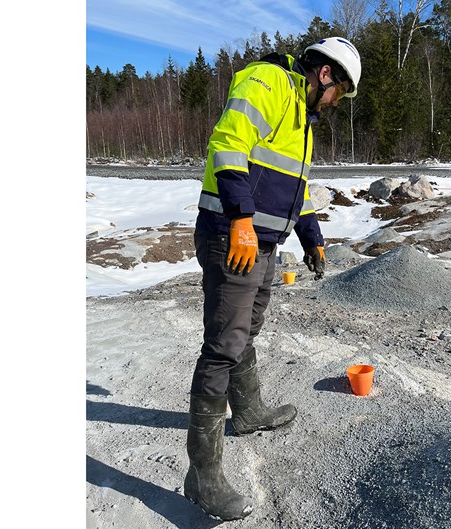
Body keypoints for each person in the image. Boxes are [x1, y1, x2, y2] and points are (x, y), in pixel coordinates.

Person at [183, 37, 362, 520]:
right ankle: (202, 474)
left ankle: (248, 411)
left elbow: (293, 187)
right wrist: (240, 218)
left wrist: (311, 237)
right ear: (326, 75)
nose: (337, 101)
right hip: (231, 235)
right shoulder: (267, 83)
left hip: (262, 242)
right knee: (223, 345)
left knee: (246, 331)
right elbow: (226, 144)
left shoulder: (302, 115)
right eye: (340, 91)